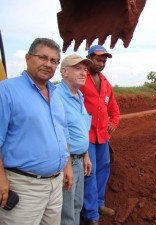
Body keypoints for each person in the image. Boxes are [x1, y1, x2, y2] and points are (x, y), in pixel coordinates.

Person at [0, 38, 73, 225]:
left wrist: (67, 167)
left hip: (55, 185)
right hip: (24, 187)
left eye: (53, 61)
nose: (48, 64)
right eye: (43, 57)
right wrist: (1, 179)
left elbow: (62, 132)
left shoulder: (55, 94)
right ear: (27, 58)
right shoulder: (6, 91)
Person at [80, 45, 120, 224]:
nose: (101, 64)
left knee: (104, 169)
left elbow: (114, 109)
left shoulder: (105, 83)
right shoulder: (81, 79)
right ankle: (90, 215)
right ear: (88, 59)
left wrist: (113, 123)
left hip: (102, 136)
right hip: (86, 136)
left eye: (104, 61)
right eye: (98, 60)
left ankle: (99, 204)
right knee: (90, 171)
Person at [56, 54, 93, 225]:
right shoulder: (56, 96)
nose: (84, 73)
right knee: (67, 212)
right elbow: (59, 134)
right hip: (67, 162)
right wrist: (67, 166)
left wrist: (86, 155)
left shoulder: (79, 96)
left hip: (79, 160)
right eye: (78, 68)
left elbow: (82, 129)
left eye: (85, 69)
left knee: (77, 205)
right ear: (64, 72)